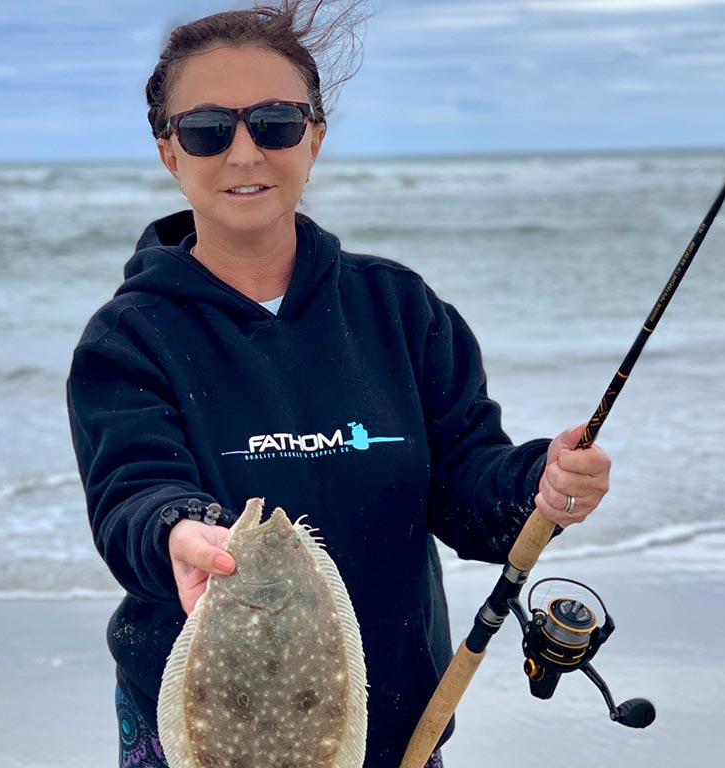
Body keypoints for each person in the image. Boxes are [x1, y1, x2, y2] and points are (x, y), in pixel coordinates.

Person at [66, 2, 612, 766]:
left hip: (390, 721)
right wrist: (181, 532)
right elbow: (132, 494)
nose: (245, 152)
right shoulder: (128, 339)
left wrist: (540, 485)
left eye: (277, 123)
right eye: (207, 130)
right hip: (206, 728)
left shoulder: (401, 310)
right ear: (169, 152)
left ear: (315, 137)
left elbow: (466, 486)